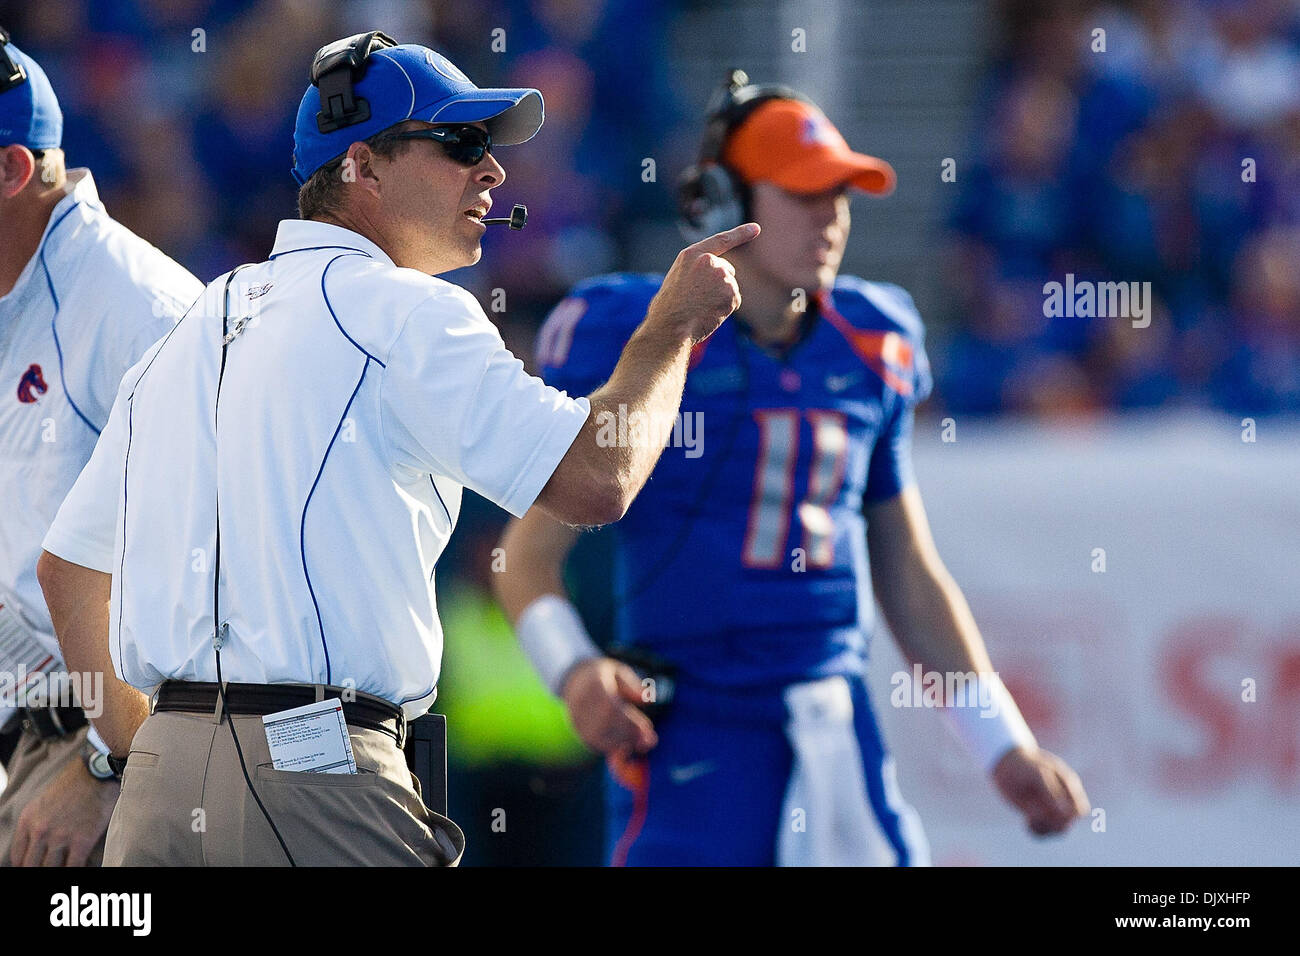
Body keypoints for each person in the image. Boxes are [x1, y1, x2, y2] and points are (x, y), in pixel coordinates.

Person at [36, 32, 756, 867]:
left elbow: (71, 569)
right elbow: (599, 479)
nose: (491, 172)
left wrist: (146, 755)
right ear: (362, 170)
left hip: (158, 799)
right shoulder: (411, 312)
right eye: (459, 144)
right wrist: (672, 330)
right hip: (316, 778)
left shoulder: (192, 321)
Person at [493, 72, 1091, 866]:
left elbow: (907, 569)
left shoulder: (877, 337)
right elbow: (523, 555)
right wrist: (572, 671)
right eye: (804, 193)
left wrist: (1002, 745)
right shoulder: (632, 329)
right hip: (692, 738)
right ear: (720, 203)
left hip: (837, 729)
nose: (831, 217)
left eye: (840, 194)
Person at [0, 29, 202, 867]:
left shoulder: (141, 308)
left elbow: (224, 574)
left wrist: (107, 761)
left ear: (10, 171)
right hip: (29, 757)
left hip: (109, 767)